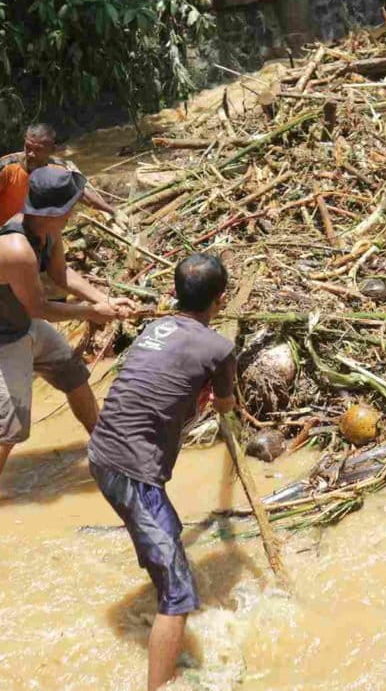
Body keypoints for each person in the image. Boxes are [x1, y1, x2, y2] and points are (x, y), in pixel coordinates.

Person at [87, 253, 237, 691]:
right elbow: (226, 405)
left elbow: (162, 386)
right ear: (221, 300)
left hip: (102, 453)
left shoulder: (155, 329)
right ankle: (161, 683)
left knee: (163, 553)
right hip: (132, 472)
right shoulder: (220, 348)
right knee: (178, 593)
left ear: (176, 293)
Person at [0, 165, 134, 514]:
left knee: (74, 376)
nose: (77, 208)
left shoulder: (48, 231)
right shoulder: (15, 248)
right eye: (74, 203)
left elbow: (61, 274)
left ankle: (104, 447)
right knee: (10, 429)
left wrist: (102, 299)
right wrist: (90, 312)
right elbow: (40, 307)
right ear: (58, 211)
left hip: (24, 323)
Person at [0, 123, 117, 247]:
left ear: (52, 150)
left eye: (38, 150)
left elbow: (81, 195)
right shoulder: (5, 167)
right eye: (28, 147)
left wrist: (112, 211)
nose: (31, 154)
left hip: (29, 236)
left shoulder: (58, 169)